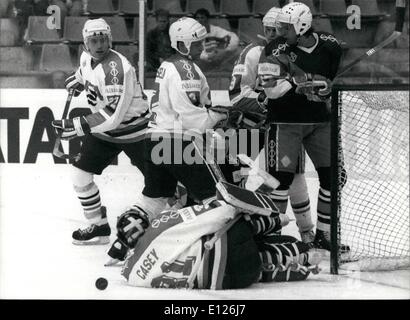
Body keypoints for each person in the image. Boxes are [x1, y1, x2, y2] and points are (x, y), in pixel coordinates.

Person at [255, 2, 348, 251]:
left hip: (321, 121)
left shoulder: (330, 45)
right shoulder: (275, 48)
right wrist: (301, 81)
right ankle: (271, 235)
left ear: (302, 26)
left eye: (286, 28)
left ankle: (325, 235)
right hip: (286, 123)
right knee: (279, 180)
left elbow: (338, 79)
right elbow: (270, 89)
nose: (280, 32)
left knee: (334, 177)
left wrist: (330, 87)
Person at [51, 18, 149, 245]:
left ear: (110, 39)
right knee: (80, 174)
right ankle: (98, 225)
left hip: (135, 131)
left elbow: (112, 116)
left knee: (159, 183)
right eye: (94, 40)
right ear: (86, 43)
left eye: (103, 38)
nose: (99, 44)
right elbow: (85, 70)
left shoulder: (115, 68)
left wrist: (76, 126)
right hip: (105, 133)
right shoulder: (87, 58)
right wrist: (76, 80)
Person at [228, 7, 315, 242]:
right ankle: (234, 232)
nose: (272, 34)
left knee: (293, 177)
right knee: (234, 177)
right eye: (268, 29)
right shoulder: (253, 54)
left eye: (277, 29)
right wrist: (266, 101)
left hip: (285, 126)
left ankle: (306, 233)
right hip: (251, 126)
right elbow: (236, 94)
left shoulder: (298, 55)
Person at [114, 195, 325, 289]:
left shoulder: (129, 273)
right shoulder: (160, 223)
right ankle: (281, 225)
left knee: (253, 264)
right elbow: (211, 216)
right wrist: (230, 207)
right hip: (233, 248)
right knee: (238, 224)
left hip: (231, 280)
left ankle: (302, 260)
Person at [193, 8, 240, 72]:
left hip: (218, 60)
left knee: (237, 52)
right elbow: (194, 51)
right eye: (197, 18)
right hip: (202, 63)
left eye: (202, 18)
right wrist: (207, 57)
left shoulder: (216, 30)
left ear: (207, 19)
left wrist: (224, 51)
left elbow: (234, 38)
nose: (199, 20)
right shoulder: (192, 34)